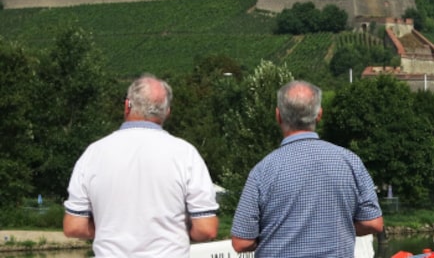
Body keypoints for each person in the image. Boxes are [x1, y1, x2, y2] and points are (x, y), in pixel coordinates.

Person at [63, 74, 219, 257]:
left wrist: (110, 232)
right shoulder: (186, 154)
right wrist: (176, 234)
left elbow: (74, 227)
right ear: (167, 112)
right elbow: (207, 229)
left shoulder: (93, 153)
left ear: (127, 105)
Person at [231, 80, 384, 258]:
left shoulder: (262, 171)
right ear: (319, 115)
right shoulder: (350, 162)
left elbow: (241, 242)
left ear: (278, 116)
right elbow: (373, 223)